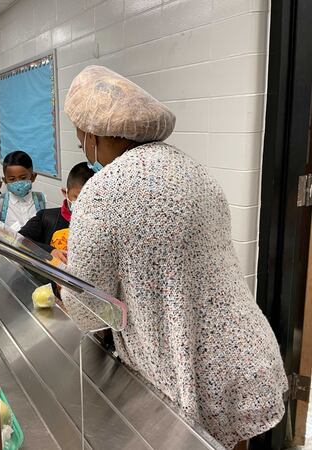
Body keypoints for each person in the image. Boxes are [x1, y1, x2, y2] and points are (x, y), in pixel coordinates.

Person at [61, 65, 287, 450]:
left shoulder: (101, 194)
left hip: (187, 371)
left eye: (81, 135)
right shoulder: (195, 170)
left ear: (97, 133)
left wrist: (64, 283)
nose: (82, 144)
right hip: (246, 357)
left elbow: (87, 307)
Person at [19, 162, 93, 263]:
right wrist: (49, 251)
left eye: (91, 199)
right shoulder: (46, 217)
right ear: (65, 193)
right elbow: (20, 238)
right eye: (77, 197)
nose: (83, 204)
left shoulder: (104, 225)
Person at [0, 151, 46, 232]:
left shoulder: (42, 200)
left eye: (23, 178)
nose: (18, 182)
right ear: (5, 180)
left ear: (33, 177)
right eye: (12, 179)